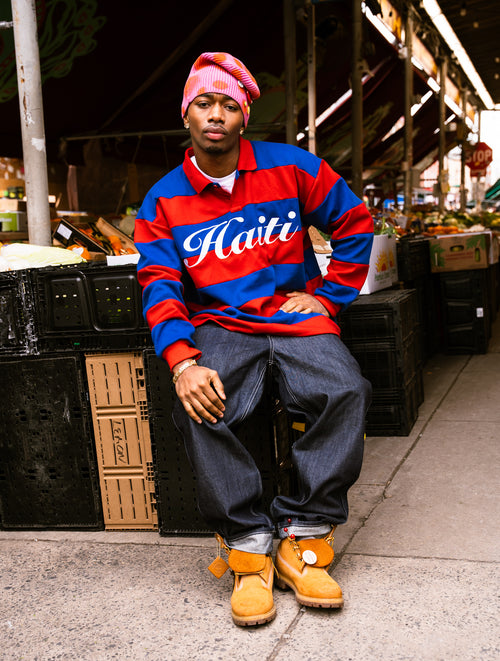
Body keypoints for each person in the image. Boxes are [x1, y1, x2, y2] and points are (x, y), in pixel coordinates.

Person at [135, 51, 373, 627]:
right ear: (186, 115)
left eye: (228, 104)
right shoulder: (162, 199)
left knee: (347, 389)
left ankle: (305, 533)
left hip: (294, 316)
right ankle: (246, 543)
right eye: (204, 102)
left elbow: (354, 221)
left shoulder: (292, 166)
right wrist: (182, 360)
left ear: (244, 116)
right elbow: (159, 283)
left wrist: (329, 296)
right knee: (200, 404)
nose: (215, 114)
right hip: (219, 324)